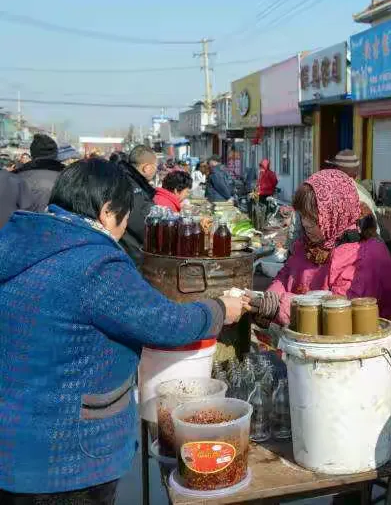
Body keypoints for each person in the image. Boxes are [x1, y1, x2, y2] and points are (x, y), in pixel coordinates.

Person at [0, 158, 246, 504]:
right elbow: (166, 324)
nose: (125, 226)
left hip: (11, 449)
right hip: (66, 462)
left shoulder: (21, 242)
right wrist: (220, 309)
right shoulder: (95, 263)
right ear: (105, 212)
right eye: (126, 217)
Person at [244, 169, 391, 326]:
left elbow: (340, 313)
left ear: (334, 213)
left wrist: (278, 306)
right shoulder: (308, 244)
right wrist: (269, 298)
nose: (305, 223)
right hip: (304, 339)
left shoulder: (365, 254)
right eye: (302, 216)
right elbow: (286, 275)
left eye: (313, 218)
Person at [119, 145, 157, 264]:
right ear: (146, 168)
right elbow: (137, 221)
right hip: (131, 252)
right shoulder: (131, 185)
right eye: (155, 166)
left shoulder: (130, 180)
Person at [14, 134, 65, 211]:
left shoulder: (13, 178)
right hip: (59, 222)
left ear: (32, 154)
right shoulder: (70, 178)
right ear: (56, 154)